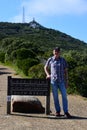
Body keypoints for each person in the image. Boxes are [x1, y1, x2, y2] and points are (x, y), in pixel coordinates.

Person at [44, 47, 71, 118]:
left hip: (62, 81)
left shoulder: (63, 60)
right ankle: (58, 111)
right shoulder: (50, 59)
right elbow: (45, 67)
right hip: (53, 81)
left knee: (64, 96)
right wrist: (47, 74)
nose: (56, 53)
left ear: (59, 52)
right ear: (53, 52)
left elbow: (65, 71)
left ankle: (66, 112)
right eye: (55, 52)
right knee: (55, 97)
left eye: (57, 52)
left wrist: (67, 81)